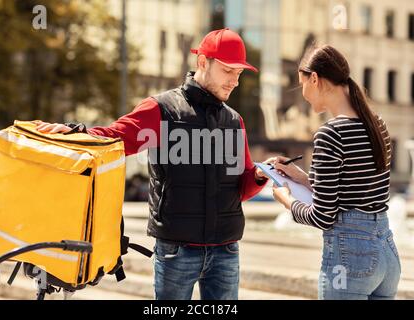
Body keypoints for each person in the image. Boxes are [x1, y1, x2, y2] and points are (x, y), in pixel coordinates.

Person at [35, 28, 269, 300]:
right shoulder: (162, 109)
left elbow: (242, 189)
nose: (235, 82)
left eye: (239, 74)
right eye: (229, 71)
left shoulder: (234, 121)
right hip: (177, 250)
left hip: (226, 251)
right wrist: (75, 132)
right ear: (203, 62)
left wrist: (261, 176)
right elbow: (114, 138)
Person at [258, 45, 400, 300]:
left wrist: (287, 200)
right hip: (386, 252)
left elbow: (323, 216)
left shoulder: (330, 133)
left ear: (314, 79)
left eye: (302, 84)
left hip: (350, 258)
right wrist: (301, 177)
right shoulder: (378, 125)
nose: (303, 94)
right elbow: (356, 190)